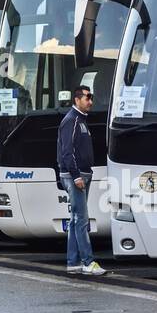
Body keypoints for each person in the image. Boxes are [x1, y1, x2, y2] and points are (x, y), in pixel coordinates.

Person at [58, 86, 107, 277]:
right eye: (87, 98)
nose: (91, 101)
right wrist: (77, 175)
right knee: (81, 220)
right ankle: (88, 262)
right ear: (77, 99)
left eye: (91, 97)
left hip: (80, 174)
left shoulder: (80, 120)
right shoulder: (72, 120)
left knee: (74, 220)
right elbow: (67, 152)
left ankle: (73, 262)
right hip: (75, 176)